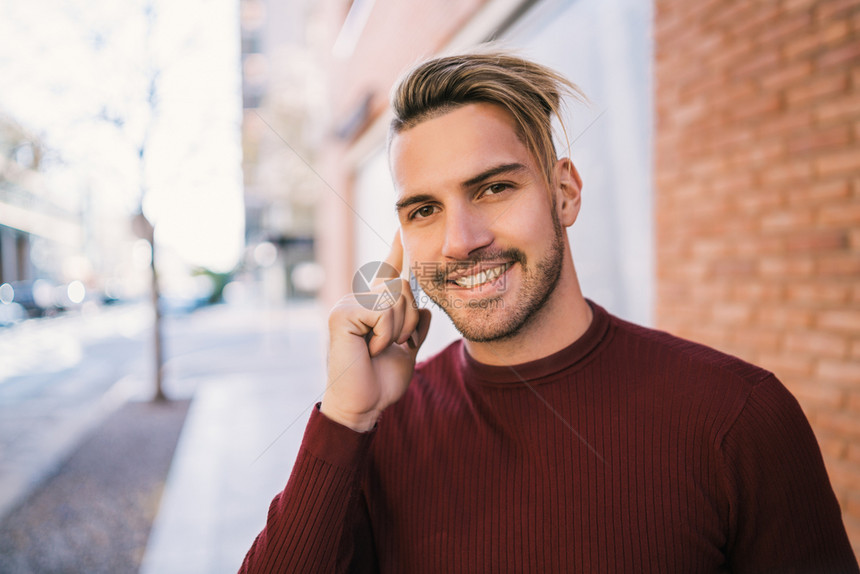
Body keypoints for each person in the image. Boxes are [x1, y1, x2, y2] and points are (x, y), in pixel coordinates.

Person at [240, 52, 858, 573]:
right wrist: (348, 418)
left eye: (494, 188)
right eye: (423, 210)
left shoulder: (739, 416)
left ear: (565, 192)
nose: (461, 239)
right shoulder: (377, 432)